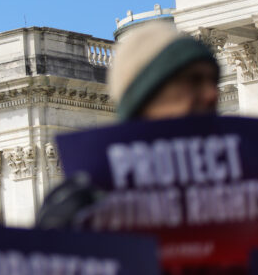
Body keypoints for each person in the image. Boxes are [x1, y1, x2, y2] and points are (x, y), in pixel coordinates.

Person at [37, 20, 220, 228]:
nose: (212, 94)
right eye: (194, 81)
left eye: (213, 81)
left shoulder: (250, 185)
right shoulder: (81, 204)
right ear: (147, 93)